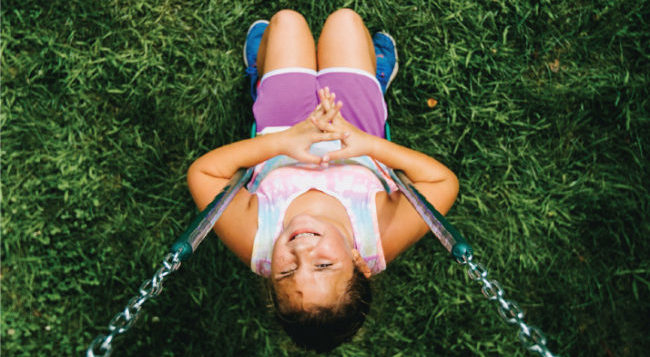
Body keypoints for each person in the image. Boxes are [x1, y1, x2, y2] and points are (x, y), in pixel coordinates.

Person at [187, 8, 459, 353]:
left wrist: (283, 142)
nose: (300, 251)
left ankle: (259, 72)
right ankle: (374, 78)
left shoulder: (257, 241)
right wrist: (367, 143)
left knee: (286, 22)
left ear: (270, 278)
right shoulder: (377, 236)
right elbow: (441, 184)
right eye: (323, 264)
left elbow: (204, 174)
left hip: (282, 126)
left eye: (286, 273)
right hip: (355, 125)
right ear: (359, 264)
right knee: (344, 21)